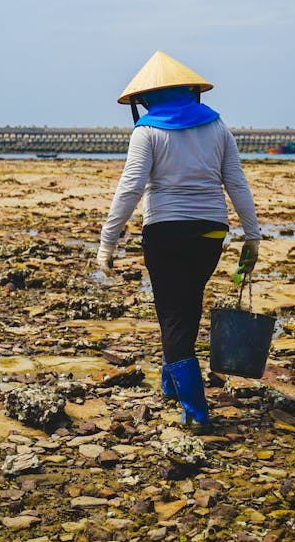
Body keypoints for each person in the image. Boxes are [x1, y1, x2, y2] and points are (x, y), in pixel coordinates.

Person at [96, 50, 261, 427]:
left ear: (145, 100)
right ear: (192, 92)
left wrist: (108, 242)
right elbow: (235, 182)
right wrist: (252, 235)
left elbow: (130, 188)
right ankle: (171, 382)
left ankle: (196, 410)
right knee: (186, 306)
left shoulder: (147, 131)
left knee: (172, 316)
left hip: (166, 232)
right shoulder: (218, 127)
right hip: (210, 233)